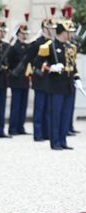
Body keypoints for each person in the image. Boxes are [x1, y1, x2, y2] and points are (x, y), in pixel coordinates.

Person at [35, 20, 78, 150]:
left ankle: (63, 140)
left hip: (68, 85)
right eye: (69, 32)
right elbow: (37, 63)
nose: (71, 34)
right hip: (56, 85)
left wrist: (77, 78)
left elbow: (73, 65)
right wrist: (50, 67)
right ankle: (55, 142)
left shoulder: (71, 47)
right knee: (56, 114)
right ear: (63, 32)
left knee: (66, 114)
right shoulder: (48, 46)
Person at [29, 17, 57, 141]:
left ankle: (47, 133)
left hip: (50, 79)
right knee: (39, 107)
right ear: (44, 28)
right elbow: (32, 61)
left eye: (53, 28)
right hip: (40, 78)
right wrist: (46, 66)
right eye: (49, 28)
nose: (52, 31)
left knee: (48, 108)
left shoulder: (54, 43)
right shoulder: (37, 43)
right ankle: (38, 133)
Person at [7, 19, 31, 136]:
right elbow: (8, 62)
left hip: (25, 78)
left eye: (26, 33)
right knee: (16, 105)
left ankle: (21, 126)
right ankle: (13, 128)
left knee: (23, 105)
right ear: (18, 34)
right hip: (16, 79)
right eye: (23, 33)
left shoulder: (27, 46)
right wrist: (11, 72)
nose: (25, 35)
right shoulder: (13, 47)